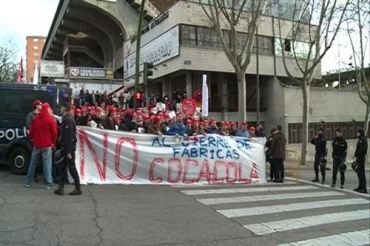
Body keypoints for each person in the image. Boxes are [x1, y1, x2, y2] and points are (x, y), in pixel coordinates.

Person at [25, 103, 58, 188]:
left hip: (37, 144)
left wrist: (32, 138)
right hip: (47, 145)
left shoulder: (36, 119)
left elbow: (31, 131)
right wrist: (53, 142)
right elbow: (54, 133)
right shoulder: (50, 119)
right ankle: (48, 183)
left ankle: (28, 182)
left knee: (33, 163)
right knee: (47, 164)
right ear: (47, 109)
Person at [54, 103, 81, 196]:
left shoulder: (68, 120)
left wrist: (68, 152)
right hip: (65, 148)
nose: (60, 109)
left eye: (61, 108)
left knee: (72, 168)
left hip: (68, 149)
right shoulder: (66, 119)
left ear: (65, 109)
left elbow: (68, 137)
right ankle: (60, 188)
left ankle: (78, 188)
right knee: (62, 168)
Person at [354, 129, 368, 194]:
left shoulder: (363, 139)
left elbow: (363, 150)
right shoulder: (360, 139)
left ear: (360, 133)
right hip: (358, 158)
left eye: (358, 133)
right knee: (359, 173)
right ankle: (360, 186)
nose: (357, 134)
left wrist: (359, 156)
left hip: (361, 159)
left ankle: (364, 188)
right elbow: (358, 149)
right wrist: (355, 155)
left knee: (362, 174)